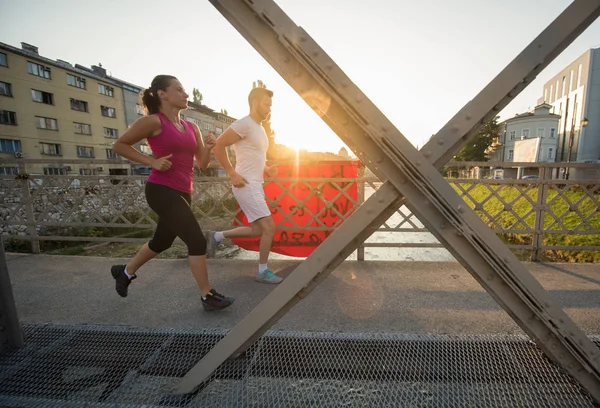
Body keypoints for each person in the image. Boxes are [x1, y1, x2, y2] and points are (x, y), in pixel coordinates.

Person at [111, 74, 234, 311]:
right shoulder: (154, 122)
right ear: (162, 94)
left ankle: (125, 272)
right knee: (197, 241)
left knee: (162, 242)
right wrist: (151, 161)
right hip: (160, 190)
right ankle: (207, 295)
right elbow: (119, 145)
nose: (185, 94)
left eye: (185, 90)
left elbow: (203, 163)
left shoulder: (192, 127)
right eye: (179, 89)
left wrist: (208, 148)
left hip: (183, 191)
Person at [212, 87, 282, 284]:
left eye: (270, 105)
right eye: (267, 104)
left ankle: (216, 237)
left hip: (255, 184)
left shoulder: (259, 129)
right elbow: (218, 145)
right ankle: (262, 271)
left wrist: (267, 169)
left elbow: (252, 154)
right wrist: (232, 173)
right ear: (255, 103)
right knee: (269, 227)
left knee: (257, 229)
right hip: (246, 184)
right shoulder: (244, 124)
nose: (269, 109)